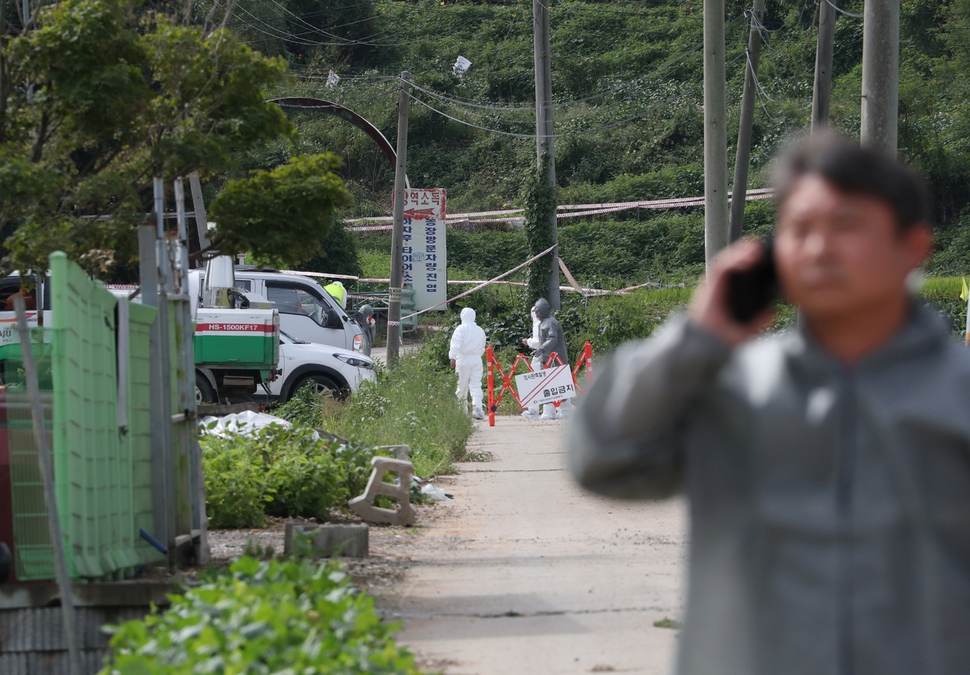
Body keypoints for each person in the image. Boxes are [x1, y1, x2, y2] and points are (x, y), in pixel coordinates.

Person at [567, 134, 970, 674]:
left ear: (913, 248)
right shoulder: (730, 391)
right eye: (799, 229)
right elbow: (600, 456)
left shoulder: (958, 392)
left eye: (847, 225)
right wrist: (697, 339)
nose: (819, 249)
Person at [449, 307, 487, 420]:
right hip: (476, 359)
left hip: (463, 359)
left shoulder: (460, 329)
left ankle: (462, 411)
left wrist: (452, 357)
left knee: (462, 386)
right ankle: (477, 408)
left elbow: (455, 344)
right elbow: (482, 347)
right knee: (476, 384)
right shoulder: (480, 330)